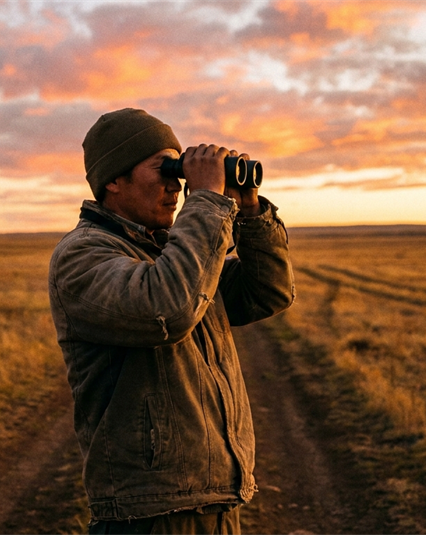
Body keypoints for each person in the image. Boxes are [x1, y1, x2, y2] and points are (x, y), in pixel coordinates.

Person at [48, 108, 294, 534]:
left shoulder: (175, 254)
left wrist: (248, 209)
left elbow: (267, 292)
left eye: (179, 172)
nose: (176, 185)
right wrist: (207, 202)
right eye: (163, 169)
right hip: (148, 515)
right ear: (113, 180)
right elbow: (168, 308)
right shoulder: (82, 255)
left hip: (215, 503)